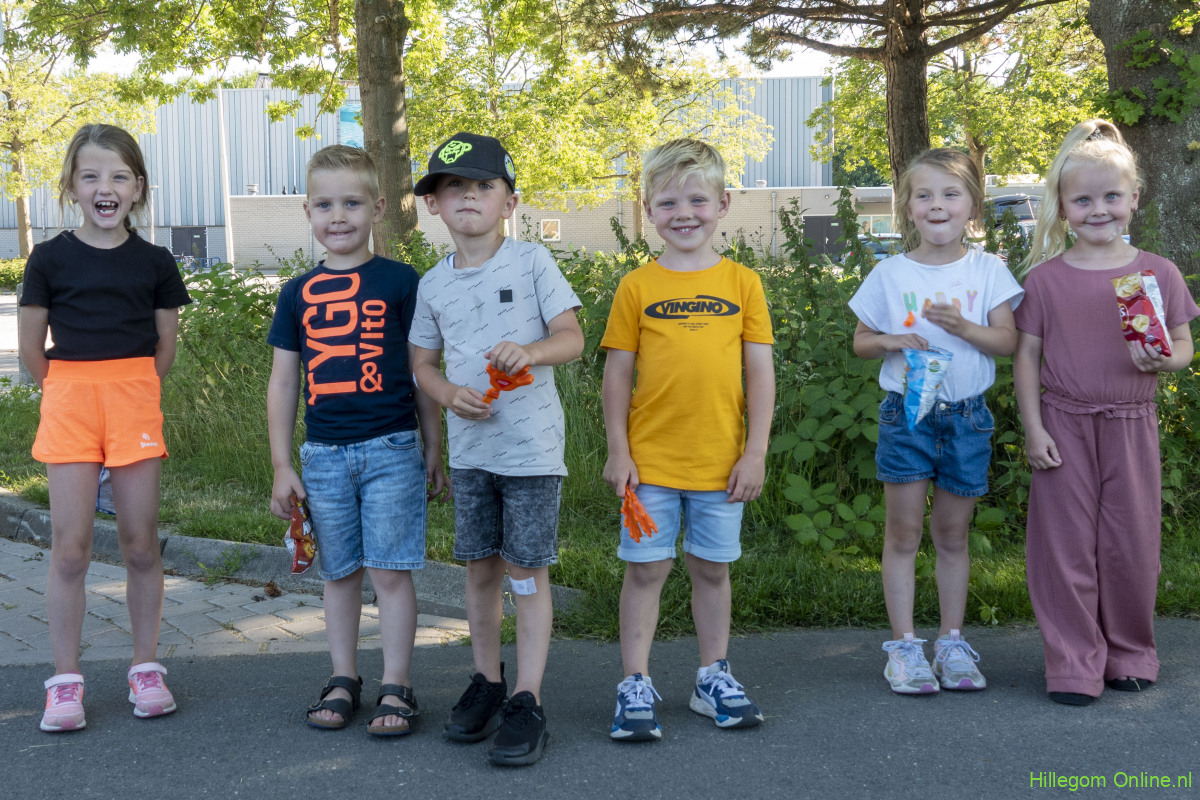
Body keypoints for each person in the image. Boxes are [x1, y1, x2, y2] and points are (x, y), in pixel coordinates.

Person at [408, 132, 583, 766]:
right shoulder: (433, 284)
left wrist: (530, 351)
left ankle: (528, 699)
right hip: (471, 455)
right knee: (480, 569)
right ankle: (487, 681)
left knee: (526, 572)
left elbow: (572, 338)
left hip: (531, 454)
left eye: (484, 185)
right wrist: (449, 394)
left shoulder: (533, 263)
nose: (469, 197)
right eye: (453, 186)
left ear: (508, 202)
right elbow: (422, 366)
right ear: (434, 205)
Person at [1013, 120, 1198, 706]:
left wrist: (1164, 360)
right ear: (1063, 206)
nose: (1099, 210)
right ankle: (1073, 663)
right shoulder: (1044, 280)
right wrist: (1034, 428)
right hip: (1063, 423)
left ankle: (1130, 653)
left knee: (1131, 544)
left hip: (1132, 424)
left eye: (1111, 196)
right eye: (1083, 200)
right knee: (1063, 547)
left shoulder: (1157, 273)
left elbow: (1184, 347)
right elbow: (1026, 358)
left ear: (1134, 198)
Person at [267, 144, 447, 735]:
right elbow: (283, 380)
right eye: (324, 205)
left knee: (391, 572)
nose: (338, 216)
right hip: (322, 457)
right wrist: (281, 464)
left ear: (378, 207)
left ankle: (398, 684)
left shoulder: (401, 281)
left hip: (392, 449)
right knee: (339, 573)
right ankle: (343, 678)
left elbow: (422, 371)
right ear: (307, 211)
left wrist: (433, 447)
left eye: (351, 203)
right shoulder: (296, 292)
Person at [19, 124, 192, 731]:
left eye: (119, 176)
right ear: (71, 186)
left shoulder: (155, 262)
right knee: (70, 550)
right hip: (69, 401)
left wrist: (130, 390)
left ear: (138, 187)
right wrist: (70, 391)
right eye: (90, 176)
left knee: (140, 543)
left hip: (134, 401)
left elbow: (164, 348)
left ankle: (145, 668)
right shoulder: (49, 258)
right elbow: (31, 351)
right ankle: (65, 682)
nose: (105, 188)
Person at [601, 138, 775, 741]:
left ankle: (712, 677)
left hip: (721, 464)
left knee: (711, 570)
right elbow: (617, 375)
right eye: (669, 202)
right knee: (646, 571)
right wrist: (618, 450)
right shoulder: (636, 287)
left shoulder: (743, 283)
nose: (684, 214)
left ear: (722, 204)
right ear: (649, 210)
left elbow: (760, 374)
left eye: (697, 200)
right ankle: (635, 683)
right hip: (648, 464)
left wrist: (755, 452)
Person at [849, 148, 1023, 696]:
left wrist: (964, 327)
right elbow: (860, 343)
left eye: (950, 194)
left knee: (952, 534)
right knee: (903, 533)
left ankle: (951, 642)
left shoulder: (988, 270)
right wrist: (888, 340)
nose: (937, 205)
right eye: (923, 195)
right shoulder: (889, 272)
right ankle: (904, 648)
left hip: (967, 417)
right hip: (907, 414)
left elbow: (1008, 341)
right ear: (907, 208)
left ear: (973, 205)